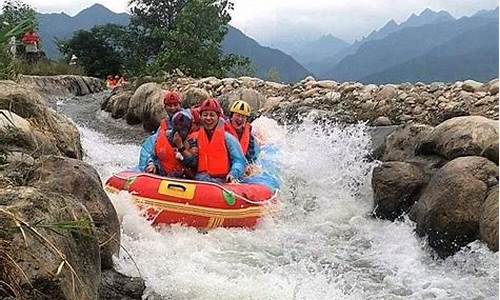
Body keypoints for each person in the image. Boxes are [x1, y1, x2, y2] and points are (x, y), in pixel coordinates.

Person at [188, 98, 246, 183]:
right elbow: (191, 162)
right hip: (201, 179)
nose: (208, 118)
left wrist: (233, 174)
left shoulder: (228, 138)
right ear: (200, 117)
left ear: (218, 117)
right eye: (205, 115)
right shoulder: (195, 138)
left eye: (212, 115)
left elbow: (239, 161)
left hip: (222, 181)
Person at [138, 110, 197, 178]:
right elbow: (149, 154)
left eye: (183, 130)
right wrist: (151, 164)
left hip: (183, 178)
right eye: (176, 128)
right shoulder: (159, 138)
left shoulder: (192, 141)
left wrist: (180, 146)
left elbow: (193, 163)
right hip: (161, 175)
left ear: (189, 130)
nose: (179, 132)